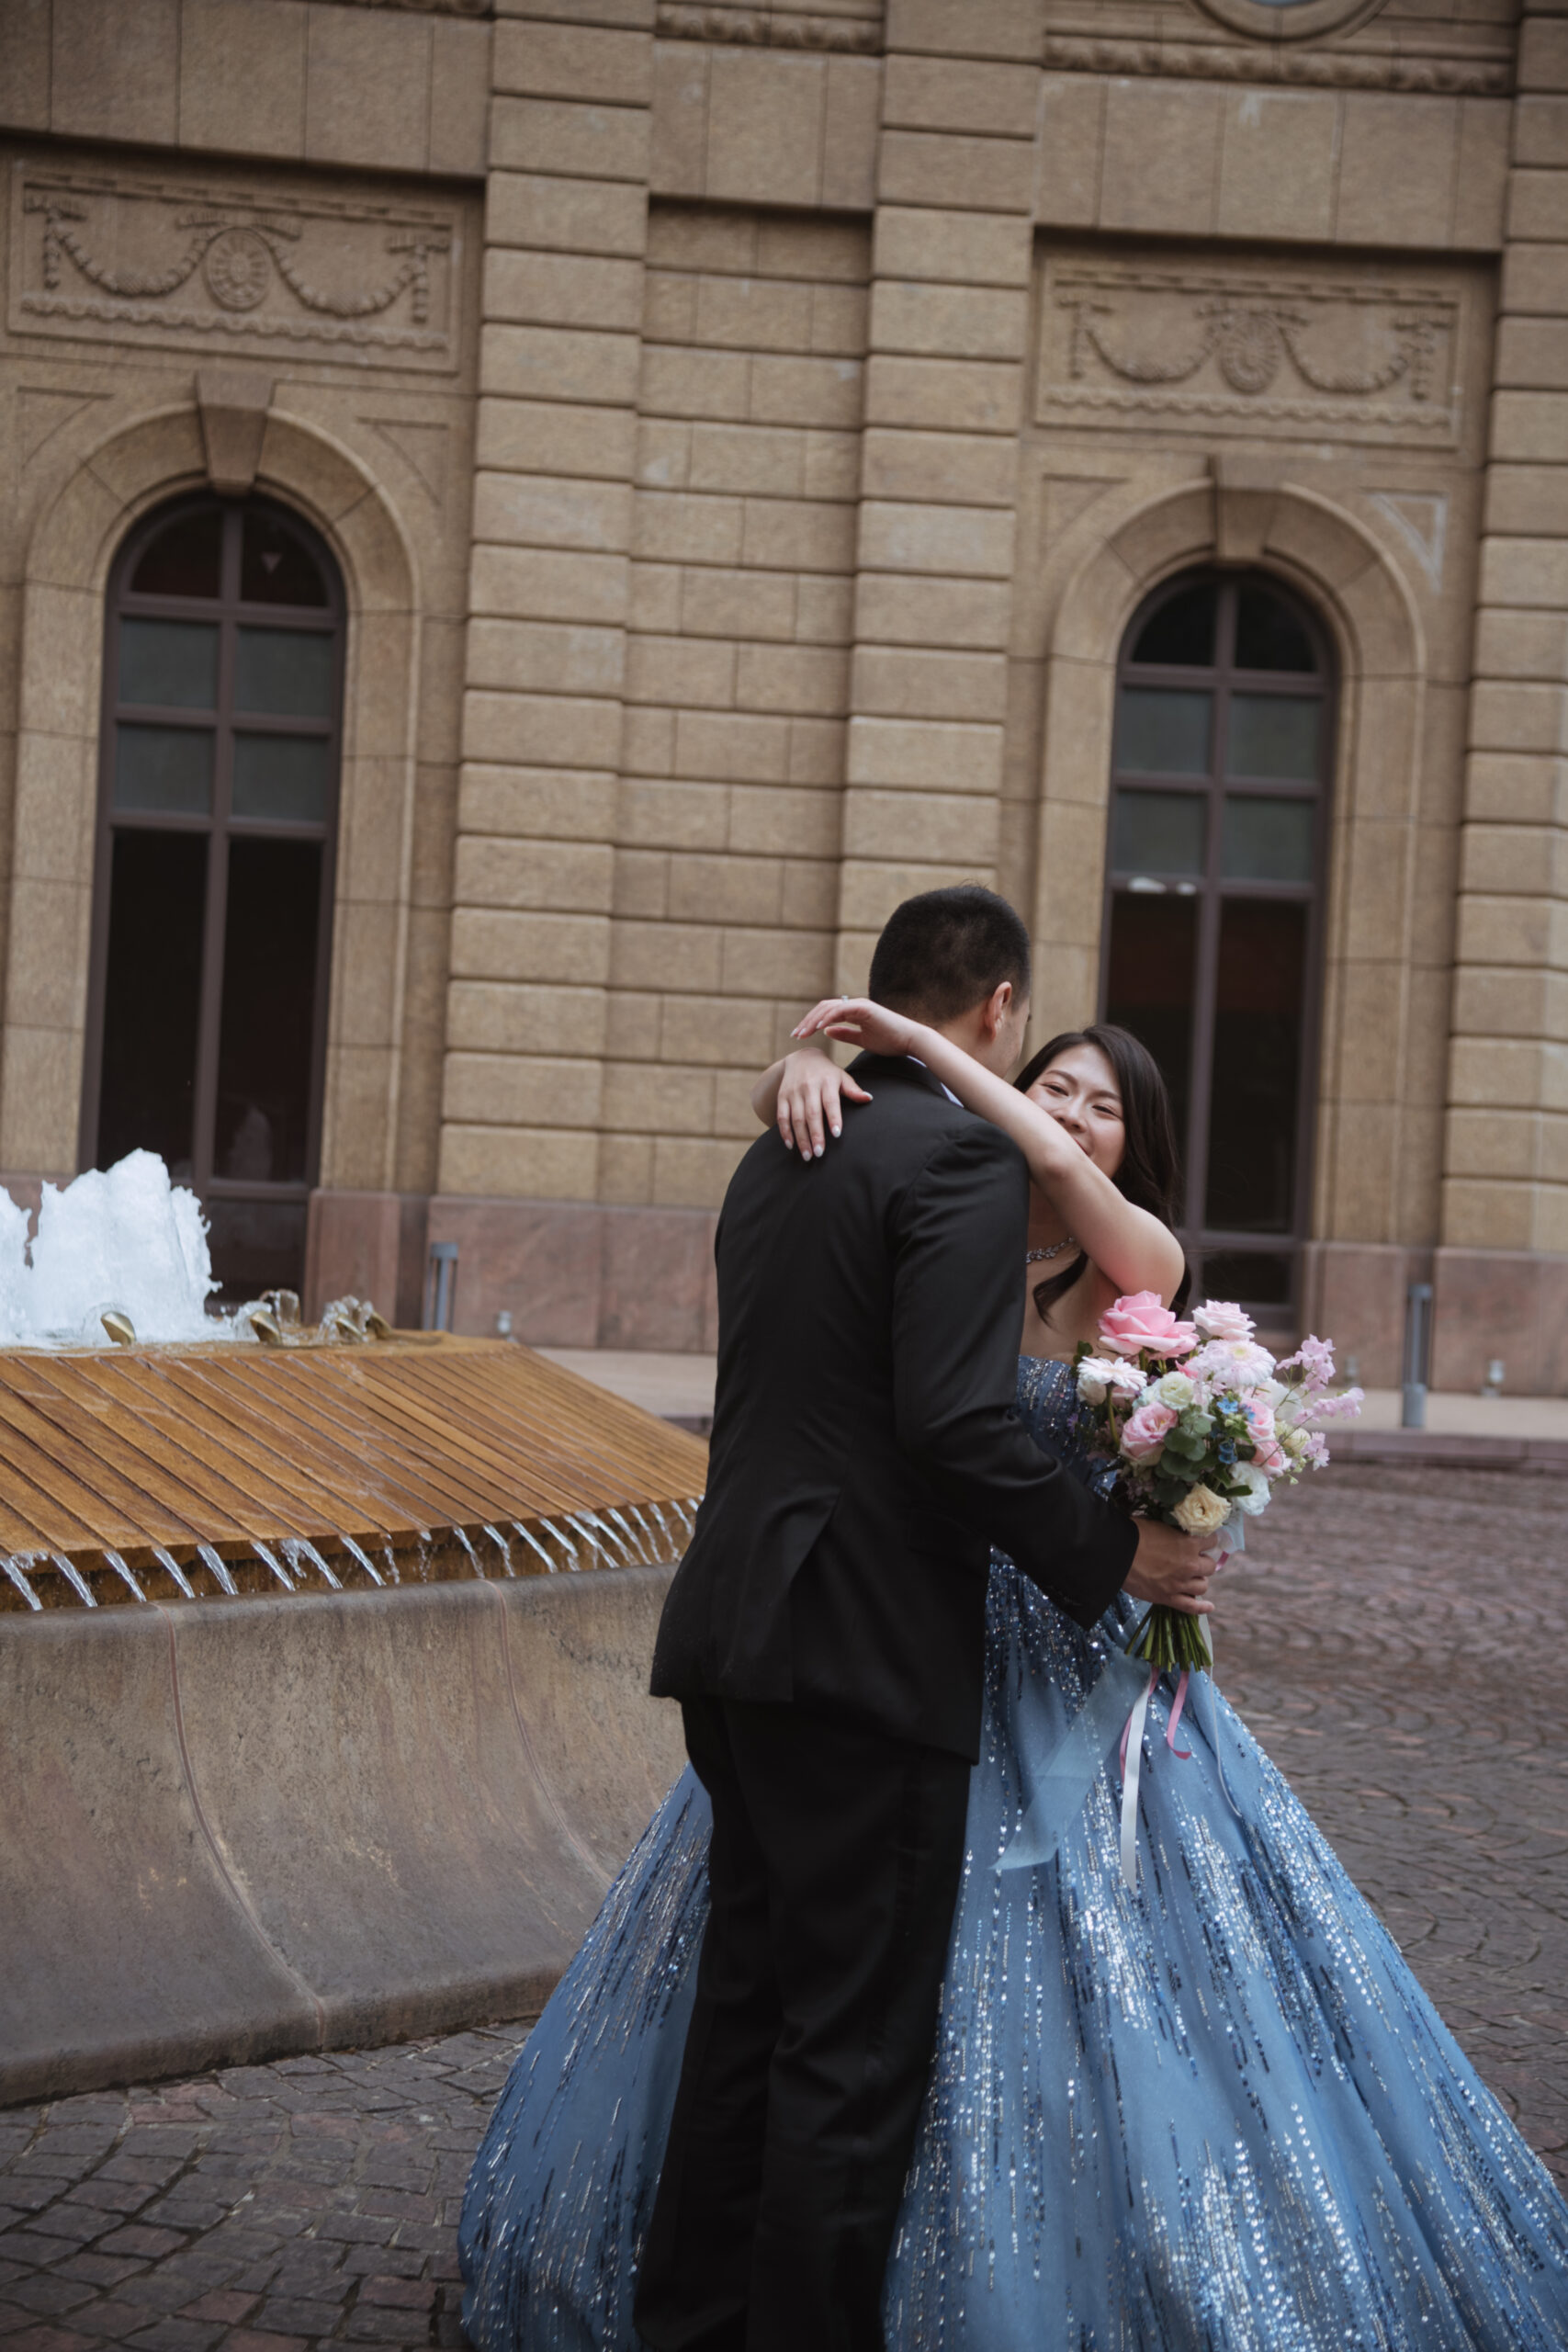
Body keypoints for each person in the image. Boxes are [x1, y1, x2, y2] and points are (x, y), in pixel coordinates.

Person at [459, 910, 1568, 2349]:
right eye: (1056, 1080)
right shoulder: (934, 1171)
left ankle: (696, 2321)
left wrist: (889, 1055)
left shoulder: (1001, 1208)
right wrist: (839, 1067)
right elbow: (948, 1420)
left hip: (858, 1641)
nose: (1072, 1112)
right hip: (886, 1643)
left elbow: (987, 1281)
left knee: (767, 2015)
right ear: (1002, 1017)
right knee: (832, 2047)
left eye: (1107, 1103)